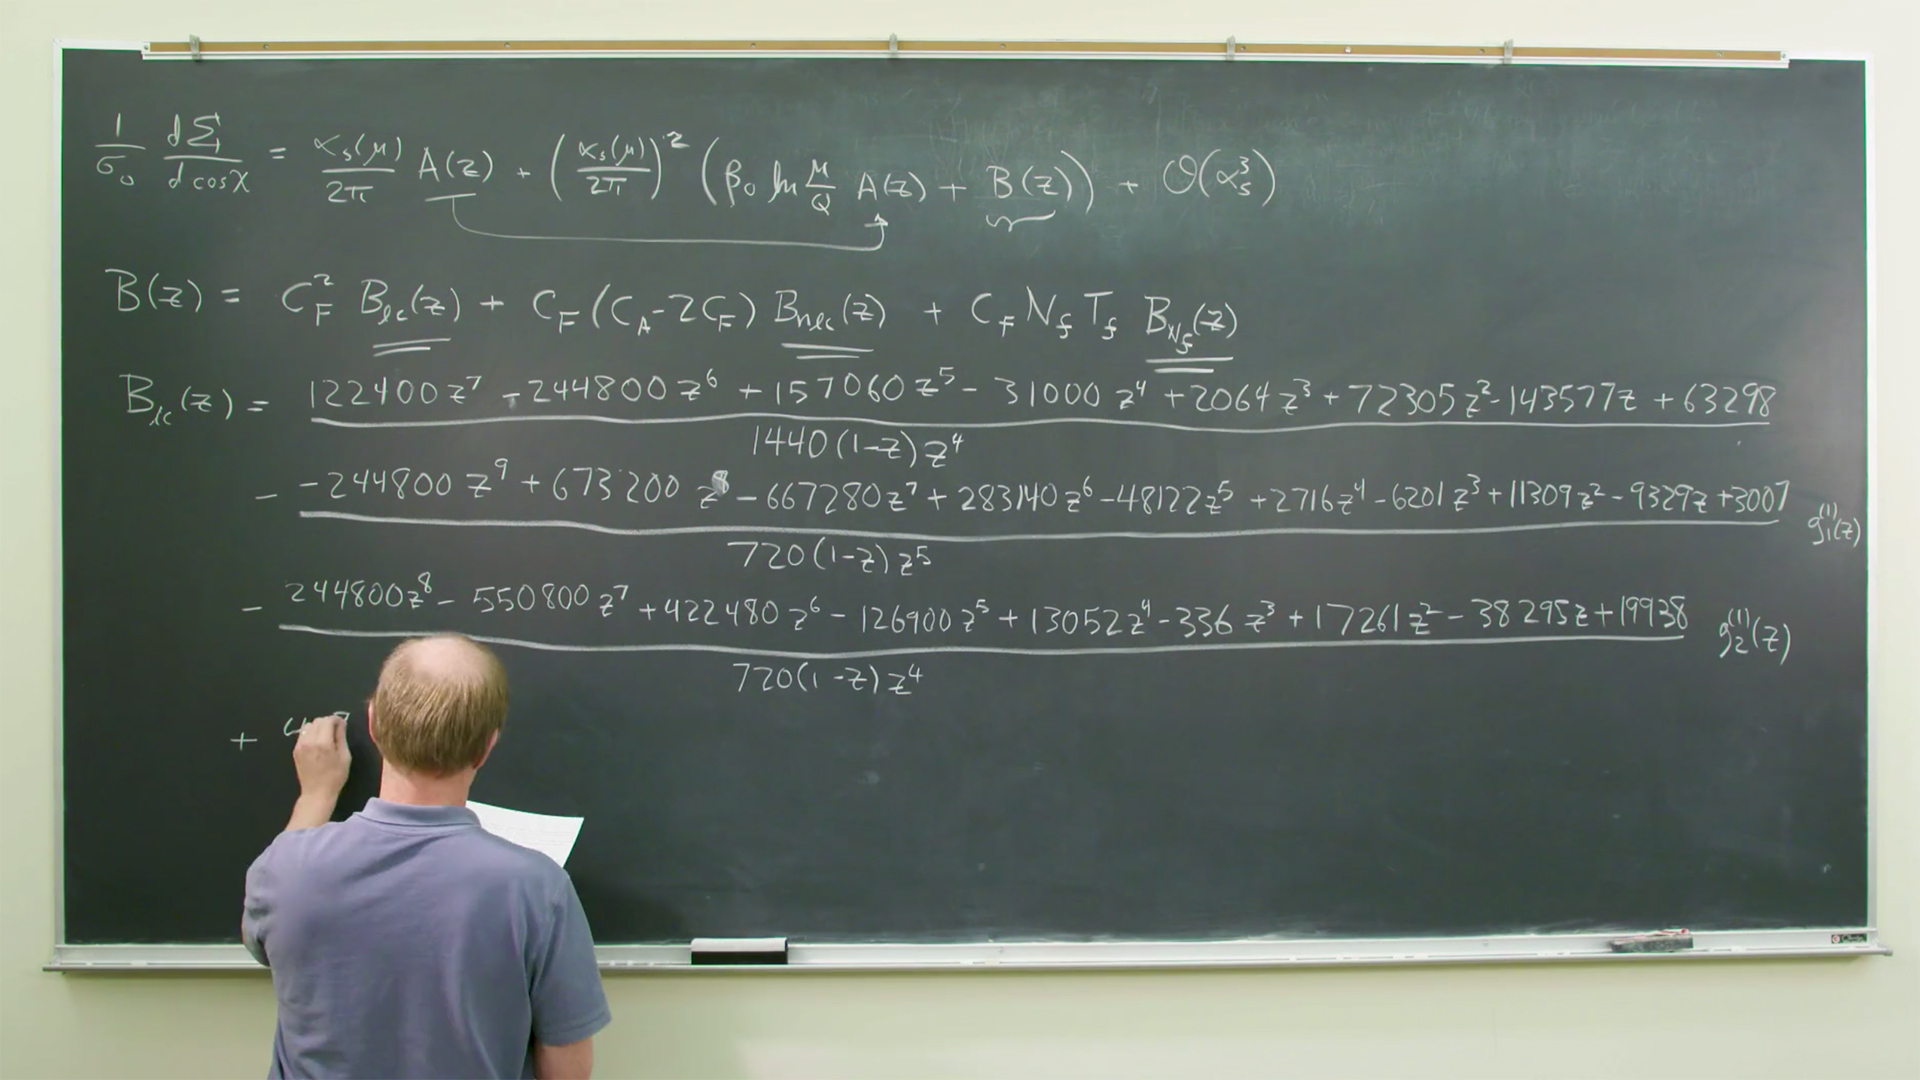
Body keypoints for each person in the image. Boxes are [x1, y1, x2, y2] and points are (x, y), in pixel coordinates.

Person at [242, 634, 610, 1079]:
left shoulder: (287, 871)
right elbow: (568, 1072)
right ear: (487, 747)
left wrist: (317, 794)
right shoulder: (537, 889)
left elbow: (261, 933)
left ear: (373, 725)